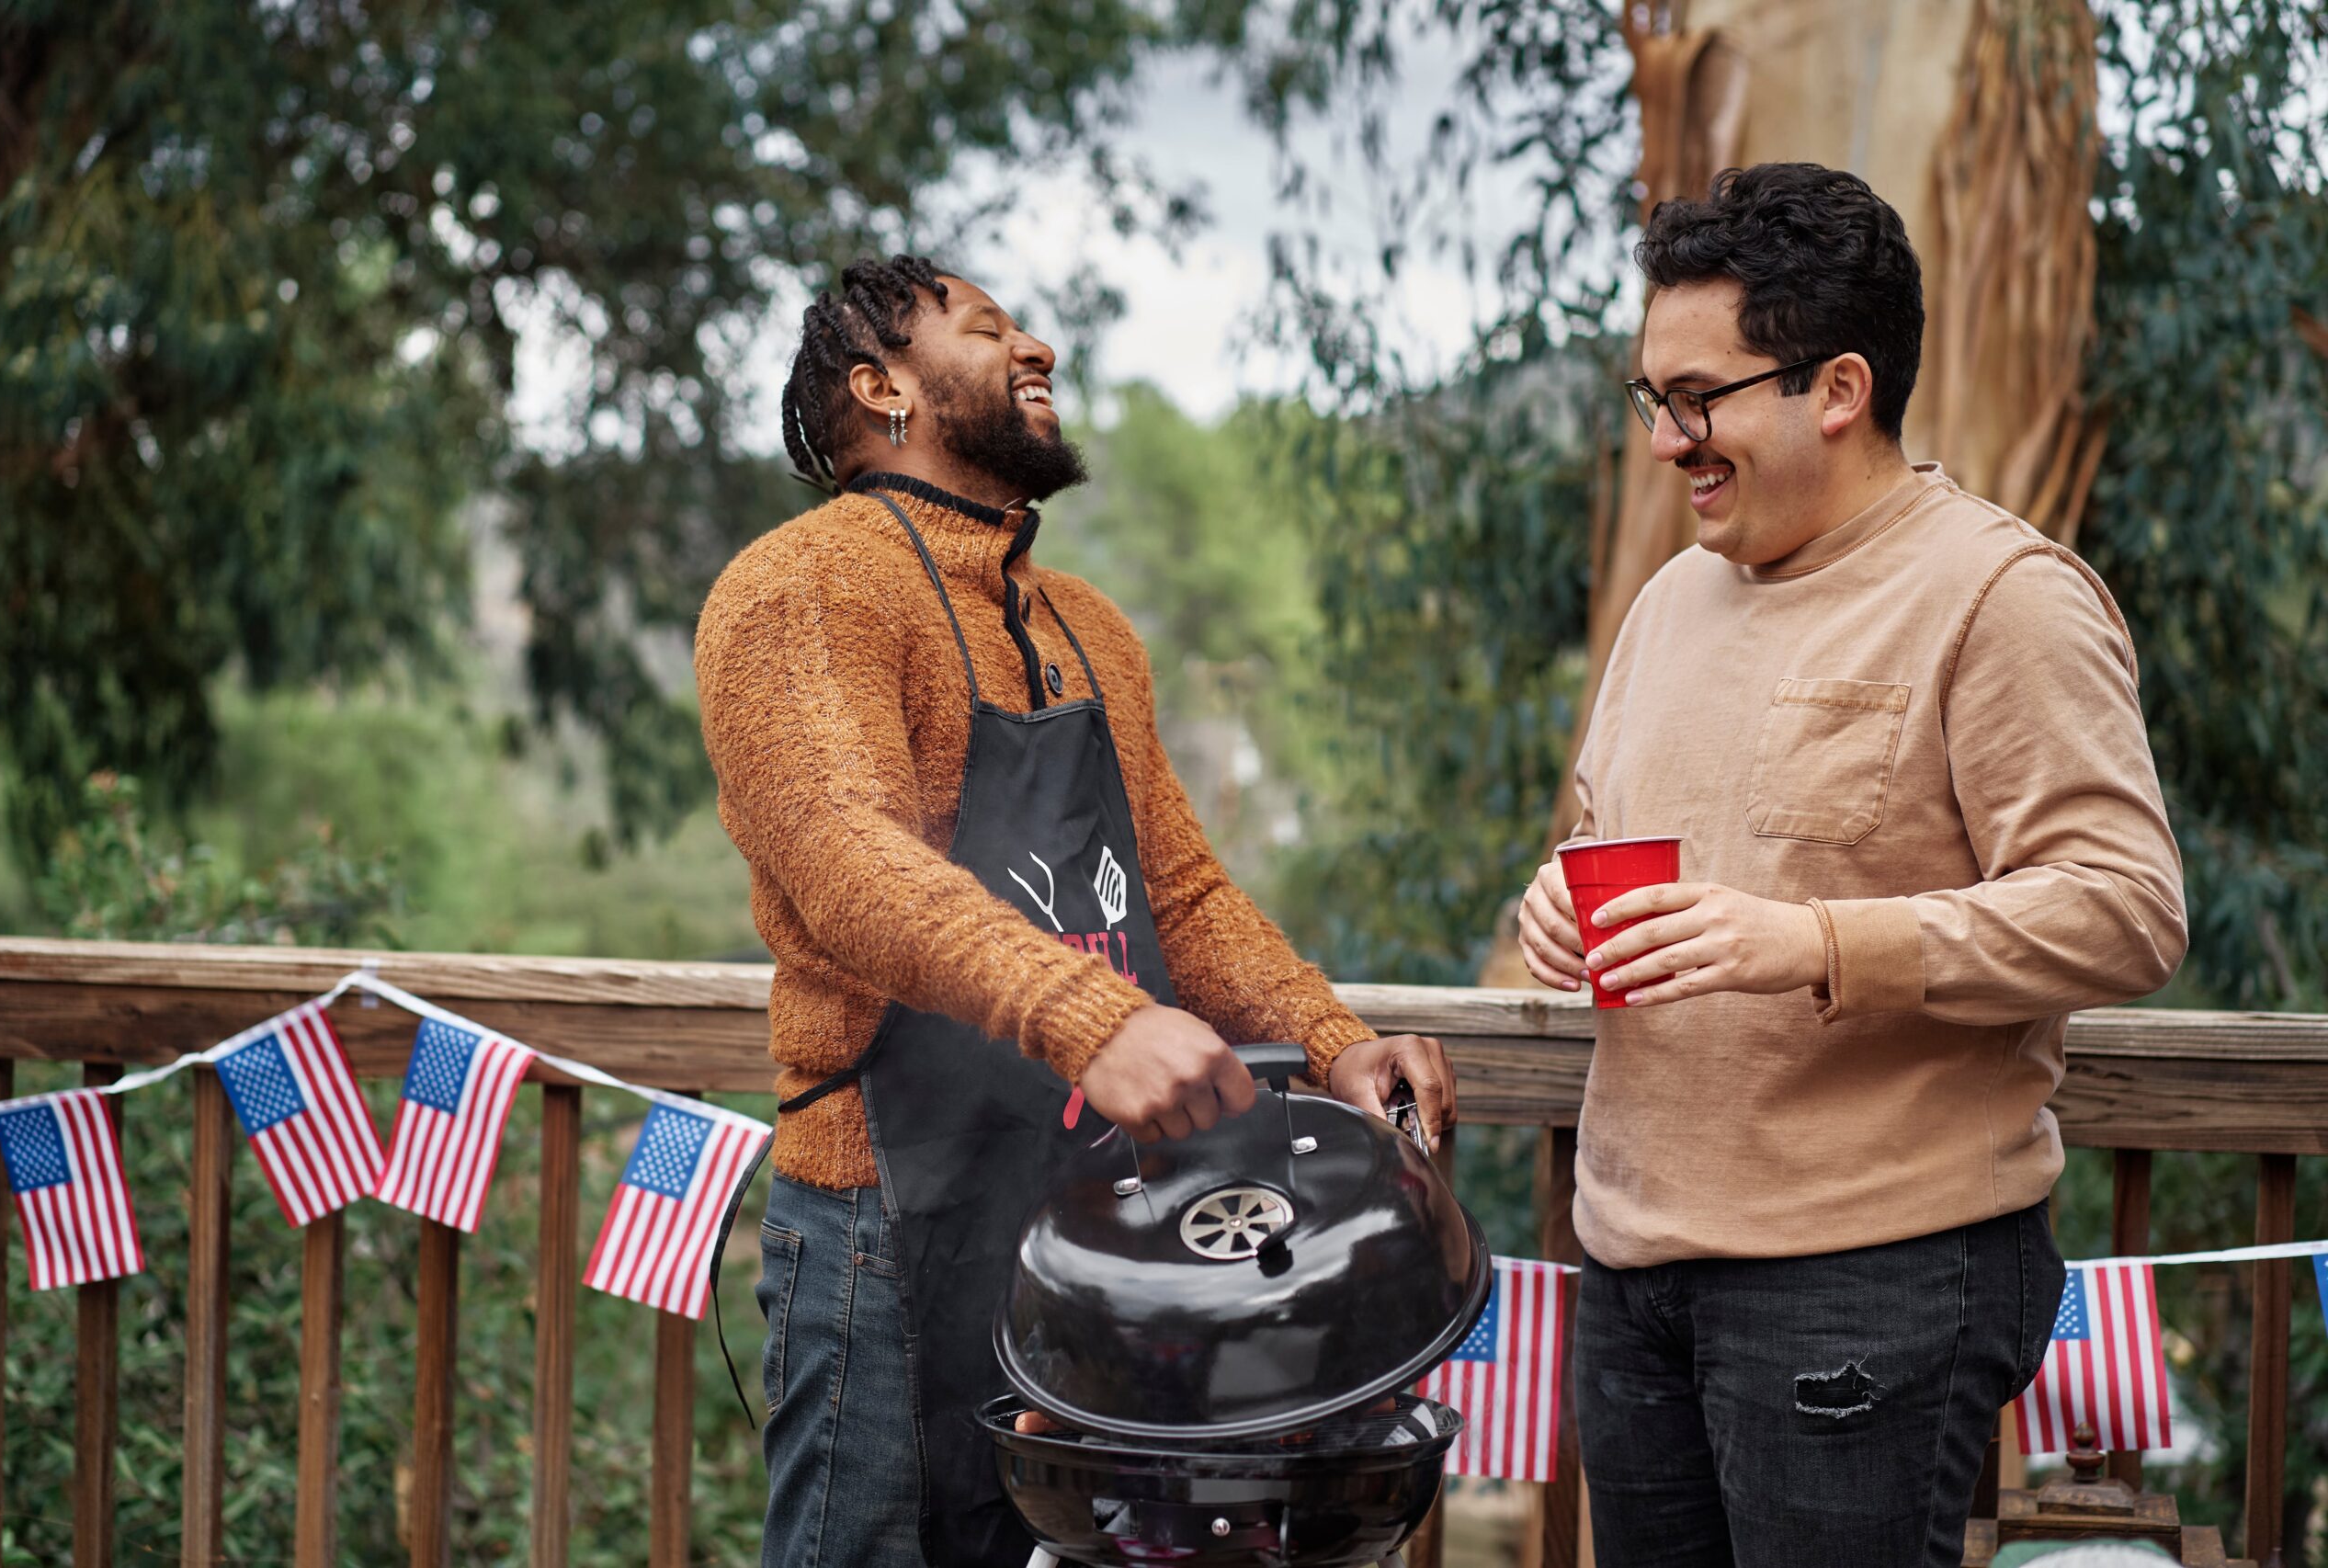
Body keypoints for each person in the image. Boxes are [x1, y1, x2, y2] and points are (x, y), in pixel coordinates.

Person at [694, 254, 1457, 1568]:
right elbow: (844, 859)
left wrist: (1332, 1038)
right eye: (988, 329)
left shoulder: (1091, 627)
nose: (1036, 346)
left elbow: (1181, 894)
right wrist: (1094, 1019)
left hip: (1109, 1228)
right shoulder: (799, 589)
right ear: (881, 389)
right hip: (887, 1232)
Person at [1516, 164, 2186, 1567]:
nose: (1666, 442)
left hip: (1867, 1278)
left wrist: (1817, 943)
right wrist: (1552, 900)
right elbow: (1600, 828)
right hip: (1631, 1265)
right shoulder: (1668, 599)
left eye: (1698, 400)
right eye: (1654, 400)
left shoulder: (2002, 597)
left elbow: (2124, 909)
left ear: (1837, 387)